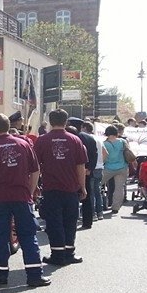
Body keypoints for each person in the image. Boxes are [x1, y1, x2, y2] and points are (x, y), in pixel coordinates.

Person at [0, 113, 48, 287]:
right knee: (28, 235)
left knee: (0, 236)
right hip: (21, 196)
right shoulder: (24, 144)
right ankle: (34, 275)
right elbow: (35, 171)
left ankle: (1, 275)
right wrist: (30, 192)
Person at [34, 109, 88, 266]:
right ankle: (69, 253)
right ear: (66, 122)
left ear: (50, 122)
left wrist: (35, 186)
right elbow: (80, 166)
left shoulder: (42, 140)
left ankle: (57, 255)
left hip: (51, 188)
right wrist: (83, 187)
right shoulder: (75, 140)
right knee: (70, 221)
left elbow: (35, 166)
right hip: (71, 188)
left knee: (54, 222)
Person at [68, 117, 98, 229]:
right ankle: (87, 221)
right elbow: (94, 155)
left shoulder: (71, 138)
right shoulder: (89, 138)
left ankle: (71, 221)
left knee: (70, 196)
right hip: (86, 172)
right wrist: (89, 169)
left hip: (71, 172)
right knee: (87, 197)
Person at [102, 125, 129, 214]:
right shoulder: (122, 141)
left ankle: (100, 202)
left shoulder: (104, 144)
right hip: (122, 167)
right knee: (119, 188)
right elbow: (128, 152)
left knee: (97, 184)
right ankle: (115, 207)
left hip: (108, 168)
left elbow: (103, 157)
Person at [82, 121, 105, 220]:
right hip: (99, 167)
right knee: (97, 191)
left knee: (90, 192)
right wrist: (101, 162)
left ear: (85, 128)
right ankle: (100, 212)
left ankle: (92, 213)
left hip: (91, 168)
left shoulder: (86, 139)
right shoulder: (98, 139)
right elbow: (105, 152)